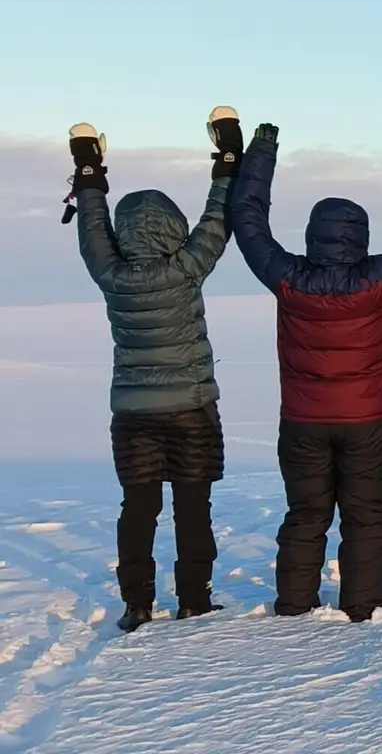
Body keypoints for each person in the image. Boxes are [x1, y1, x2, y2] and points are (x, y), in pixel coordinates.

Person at [231, 122, 382, 621]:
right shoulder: (380, 279)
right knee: (365, 519)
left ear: (311, 236)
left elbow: (246, 218)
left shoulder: (288, 278)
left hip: (302, 422)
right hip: (368, 421)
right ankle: (361, 609)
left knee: (305, 516)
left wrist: (261, 151)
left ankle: (294, 606)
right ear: (361, 238)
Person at [69, 110, 244, 631]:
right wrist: (228, 157)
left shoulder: (110, 272)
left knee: (138, 508)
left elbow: (92, 226)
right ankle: (193, 599)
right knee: (193, 508)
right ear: (174, 228)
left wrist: (88, 168)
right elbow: (218, 218)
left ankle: (137, 605)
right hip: (191, 408)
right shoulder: (186, 268)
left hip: (132, 414)